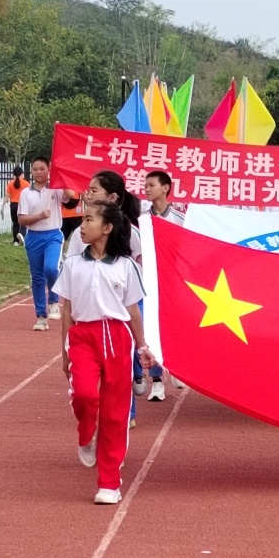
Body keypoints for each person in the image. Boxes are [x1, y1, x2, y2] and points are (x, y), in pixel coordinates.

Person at [53, 201, 154, 505]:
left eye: (88, 220)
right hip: (83, 336)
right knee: (85, 395)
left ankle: (108, 483)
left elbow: (133, 310)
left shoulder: (126, 266)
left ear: (107, 228)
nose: (82, 226)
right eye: (82, 220)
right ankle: (86, 434)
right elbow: (68, 309)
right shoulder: (73, 265)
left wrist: (142, 345)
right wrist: (64, 352)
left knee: (115, 412)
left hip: (117, 339)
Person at [17, 157, 78, 330]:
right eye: (35, 169)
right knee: (37, 277)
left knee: (51, 268)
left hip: (53, 236)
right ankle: (41, 317)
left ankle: (53, 300)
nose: (38, 172)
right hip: (33, 237)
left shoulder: (55, 189)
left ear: (48, 170)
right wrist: (39, 216)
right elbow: (22, 218)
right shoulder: (26, 193)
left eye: (42, 168)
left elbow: (70, 195)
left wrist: (61, 174)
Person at [143, 170, 186, 401]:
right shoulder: (142, 220)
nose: (147, 189)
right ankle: (157, 381)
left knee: (174, 327)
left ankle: (176, 367)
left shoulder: (180, 219)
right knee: (152, 329)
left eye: (151, 185)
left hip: (174, 283)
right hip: (150, 282)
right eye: (145, 185)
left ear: (166, 188)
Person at [3, 166, 29, 246]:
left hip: (13, 205)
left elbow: (7, 195)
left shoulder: (10, 183)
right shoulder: (26, 184)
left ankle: (15, 241)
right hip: (22, 204)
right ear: (22, 173)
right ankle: (21, 234)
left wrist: (3, 205)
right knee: (24, 223)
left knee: (15, 223)